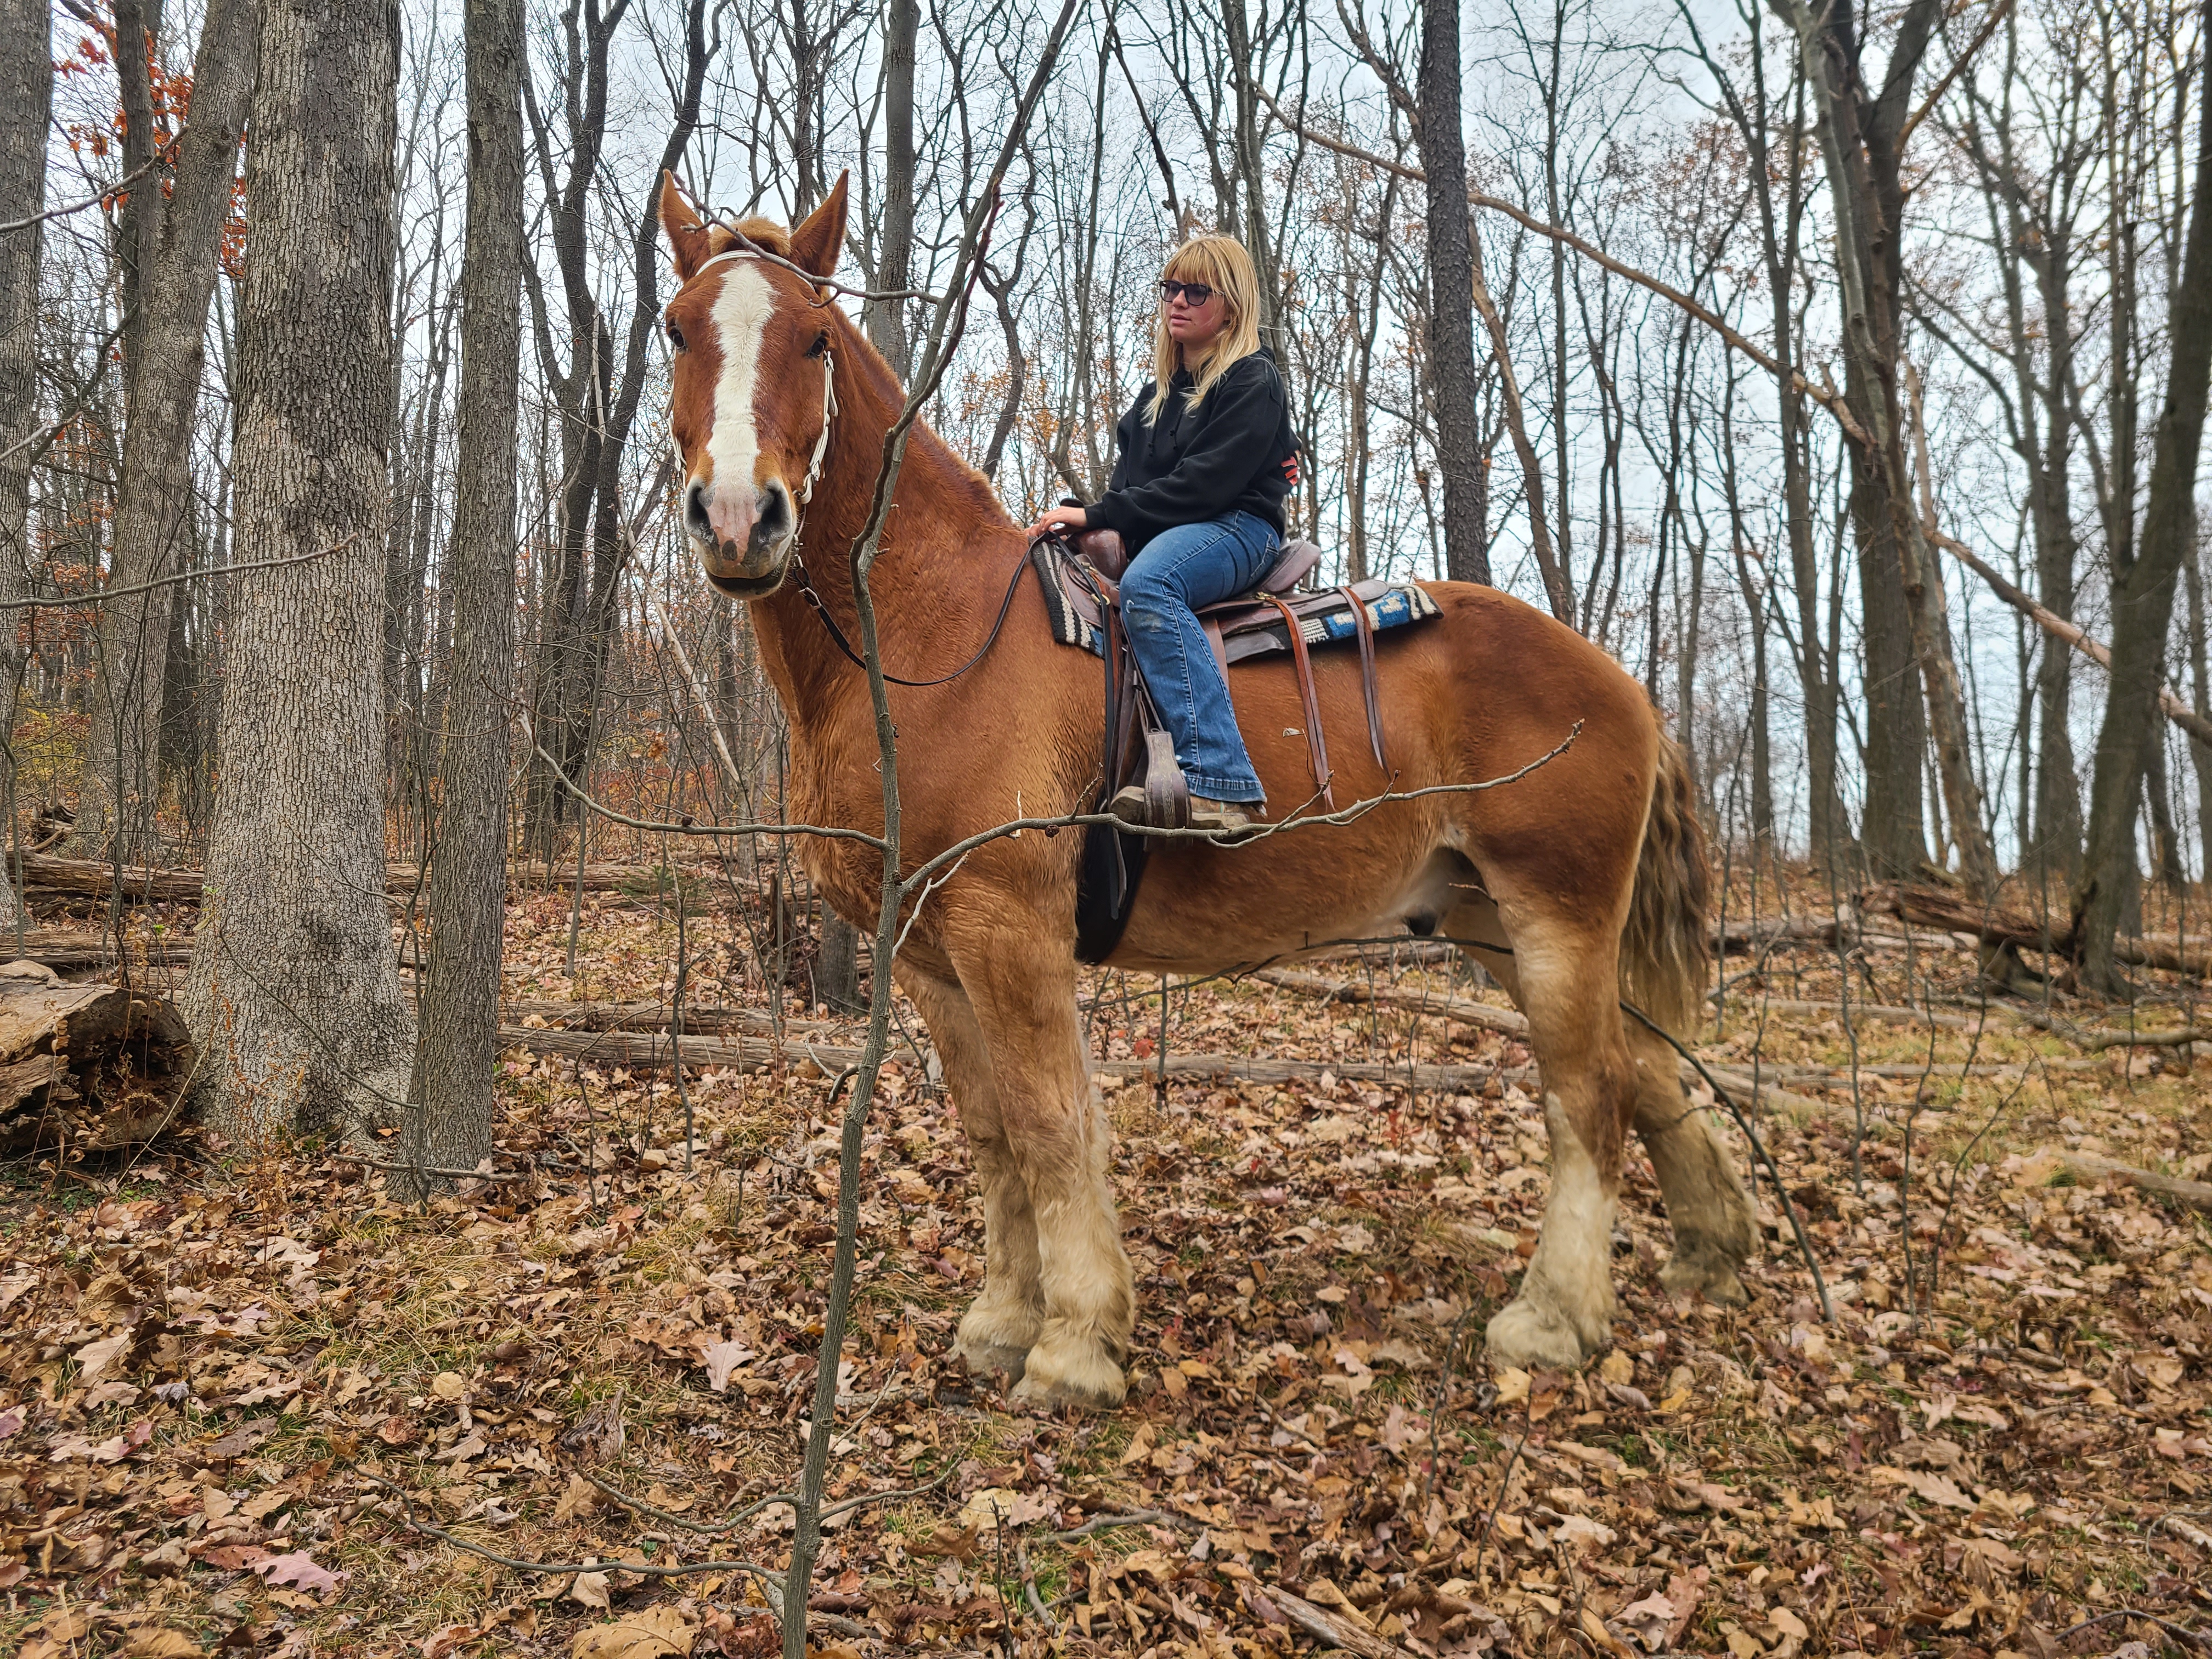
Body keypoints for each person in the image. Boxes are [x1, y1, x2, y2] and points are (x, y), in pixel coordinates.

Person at [1024, 234, 1301, 836]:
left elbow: (1204, 487)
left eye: (1196, 291)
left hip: (1236, 528)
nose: (1177, 301)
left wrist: (1099, 514)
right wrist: (1084, 522)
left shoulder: (1253, 382)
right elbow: (1132, 495)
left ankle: (1224, 783)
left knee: (1150, 587)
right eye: (1170, 288)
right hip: (1175, 530)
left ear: (1230, 305)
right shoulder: (1153, 401)